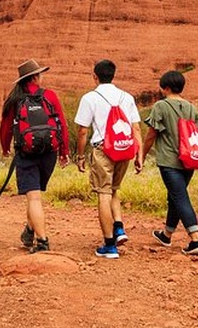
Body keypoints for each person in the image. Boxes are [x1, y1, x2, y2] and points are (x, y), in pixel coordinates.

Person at [74, 59, 143, 259]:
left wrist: (80, 156)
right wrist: (138, 153)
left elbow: (82, 131)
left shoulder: (89, 98)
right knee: (114, 189)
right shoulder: (127, 97)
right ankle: (119, 227)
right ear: (113, 75)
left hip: (103, 149)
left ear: (95, 76)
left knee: (103, 193)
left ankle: (109, 245)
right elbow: (136, 127)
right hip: (125, 148)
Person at [0, 59, 70, 254]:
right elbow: (62, 124)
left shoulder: (14, 100)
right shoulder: (50, 96)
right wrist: (64, 151)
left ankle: (43, 241)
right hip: (49, 153)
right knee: (36, 196)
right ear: (36, 77)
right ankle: (29, 231)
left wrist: (5, 148)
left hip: (26, 153)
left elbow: (5, 128)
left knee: (34, 198)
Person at [142, 70, 198, 255]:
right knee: (175, 196)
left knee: (180, 197)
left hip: (169, 161)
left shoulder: (160, 106)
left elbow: (151, 135)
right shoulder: (191, 107)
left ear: (166, 88)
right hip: (190, 160)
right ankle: (166, 234)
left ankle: (195, 240)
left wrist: (141, 155)